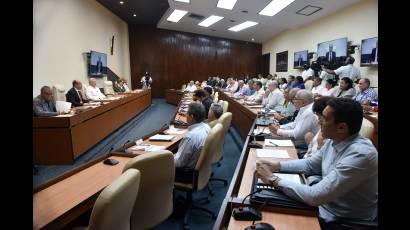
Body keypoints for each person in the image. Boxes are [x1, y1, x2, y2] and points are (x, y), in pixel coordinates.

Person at [256, 98, 377, 223]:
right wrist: (276, 166)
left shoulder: (361, 155)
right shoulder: (335, 138)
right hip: (324, 206)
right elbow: (310, 164)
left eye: (323, 118)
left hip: (342, 220)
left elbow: (315, 196)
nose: (318, 121)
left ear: (341, 127)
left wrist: (272, 178)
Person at [174, 102, 211, 183]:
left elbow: (179, 163)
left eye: (186, 114)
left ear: (192, 116)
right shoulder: (207, 127)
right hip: (201, 169)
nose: (185, 116)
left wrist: (168, 157)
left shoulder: (190, 137)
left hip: (186, 173)